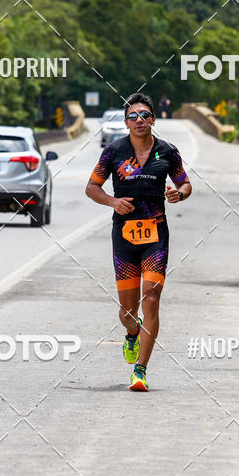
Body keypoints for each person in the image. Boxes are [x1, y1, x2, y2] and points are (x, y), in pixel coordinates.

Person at [85, 92, 192, 391]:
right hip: (124, 236)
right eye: (133, 116)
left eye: (145, 115)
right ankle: (132, 332)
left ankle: (140, 370)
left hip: (156, 235)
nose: (139, 120)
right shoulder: (114, 152)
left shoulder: (168, 152)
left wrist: (179, 193)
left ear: (153, 119)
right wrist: (112, 201)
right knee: (128, 312)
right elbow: (91, 187)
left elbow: (185, 182)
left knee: (152, 300)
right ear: (126, 122)